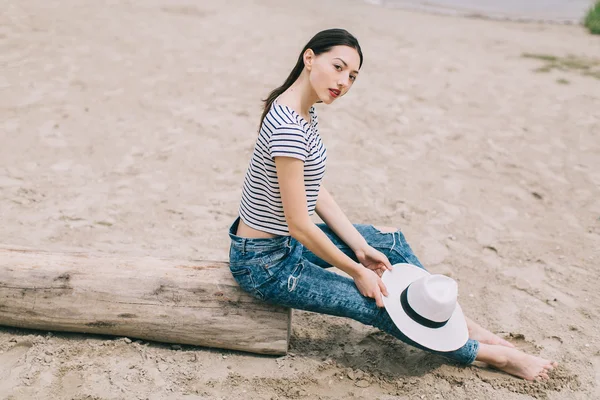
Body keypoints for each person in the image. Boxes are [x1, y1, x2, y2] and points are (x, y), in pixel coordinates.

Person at [228, 28, 557, 381]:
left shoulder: (304, 110)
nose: (344, 82)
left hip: (286, 245)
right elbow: (299, 224)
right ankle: (493, 355)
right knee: (379, 302)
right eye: (338, 68)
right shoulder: (288, 125)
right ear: (309, 58)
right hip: (264, 264)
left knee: (388, 242)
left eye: (352, 76)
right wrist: (358, 271)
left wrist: (361, 247)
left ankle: (455, 321)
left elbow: (315, 190)